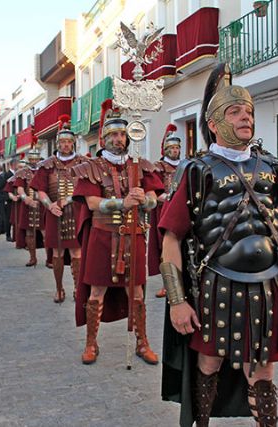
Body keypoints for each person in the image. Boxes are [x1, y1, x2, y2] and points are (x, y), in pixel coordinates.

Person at [158, 64, 278, 427]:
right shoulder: (197, 170)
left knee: (264, 368)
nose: (246, 118)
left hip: (268, 286)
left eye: (249, 112)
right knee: (210, 363)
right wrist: (178, 301)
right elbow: (171, 238)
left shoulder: (273, 168)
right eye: (235, 112)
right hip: (217, 285)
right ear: (214, 123)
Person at [71, 100, 164, 365]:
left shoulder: (140, 166)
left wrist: (143, 199)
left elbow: (152, 201)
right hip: (102, 236)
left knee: (136, 292)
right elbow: (91, 204)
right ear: (104, 137)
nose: (118, 139)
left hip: (133, 235)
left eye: (122, 134)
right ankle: (91, 344)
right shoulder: (91, 167)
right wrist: (122, 203)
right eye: (112, 134)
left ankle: (142, 342)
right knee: (96, 292)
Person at [30, 115, 86, 303]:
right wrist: (50, 205)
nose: (65, 145)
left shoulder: (83, 163)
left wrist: (67, 200)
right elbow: (40, 191)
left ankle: (78, 289)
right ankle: (59, 288)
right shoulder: (47, 165)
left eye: (68, 142)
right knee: (57, 253)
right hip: (55, 213)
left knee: (77, 252)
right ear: (57, 143)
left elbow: (88, 189)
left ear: (73, 143)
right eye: (62, 142)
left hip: (77, 213)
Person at [150, 124, 182, 299]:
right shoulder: (159, 167)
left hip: (183, 209)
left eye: (177, 148)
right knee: (165, 247)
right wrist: (169, 198)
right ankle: (167, 284)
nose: (175, 151)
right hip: (164, 211)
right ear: (166, 149)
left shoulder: (185, 165)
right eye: (172, 148)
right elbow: (155, 192)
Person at [14, 144, 45, 267]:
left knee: (45, 232)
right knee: (29, 233)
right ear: (28, 159)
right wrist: (25, 198)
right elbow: (20, 188)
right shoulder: (22, 172)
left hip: (43, 205)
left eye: (35, 159)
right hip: (27, 206)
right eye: (31, 159)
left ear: (39, 159)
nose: (33, 161)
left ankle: (50, 258)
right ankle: (33, 258)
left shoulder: (44, 171)